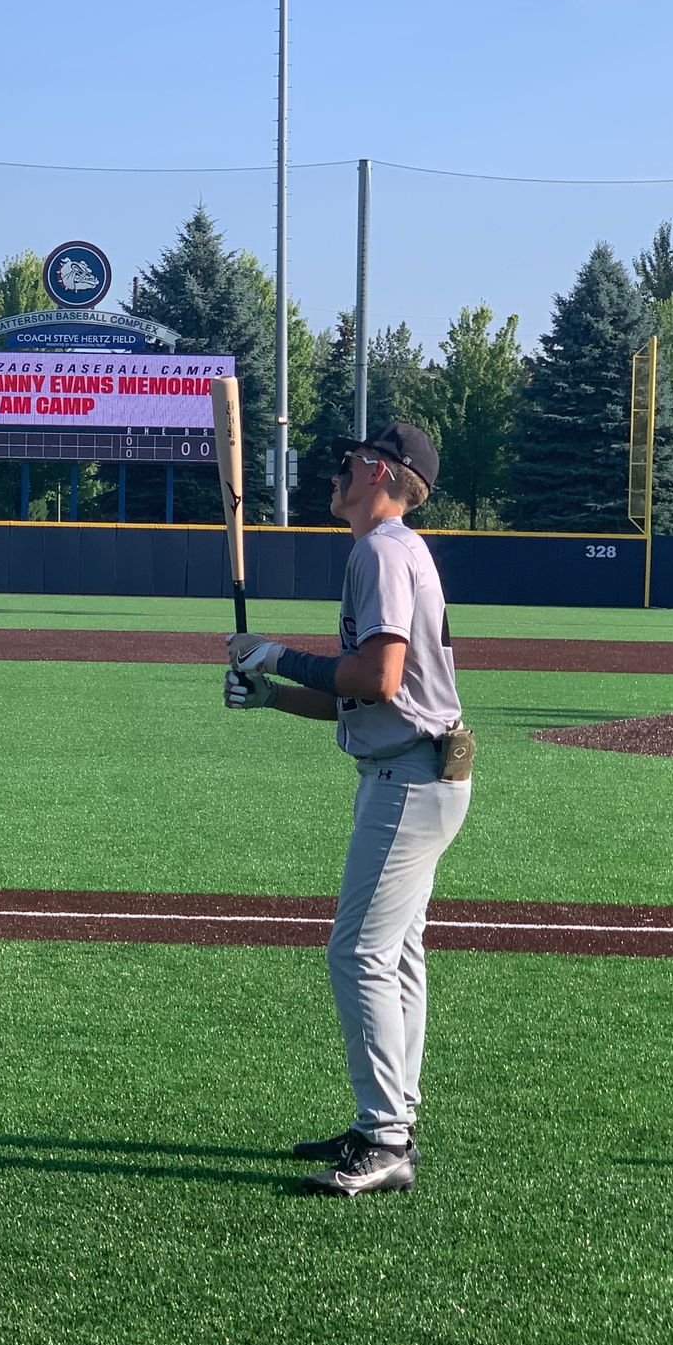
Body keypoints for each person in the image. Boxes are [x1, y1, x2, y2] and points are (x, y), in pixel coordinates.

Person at [223, 422, 472, 1197]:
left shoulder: (382, 551)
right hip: (420, 771)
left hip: (411, 779)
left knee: (358, 953)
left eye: (349, 460)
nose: (337, 469)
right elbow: (359, 702)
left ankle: (386, 1136)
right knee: (396, 955)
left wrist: (276, 654)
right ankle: (388, 1122)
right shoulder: (394, 550)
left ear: (381, 473)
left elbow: (378, 678)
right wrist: (273, 695)